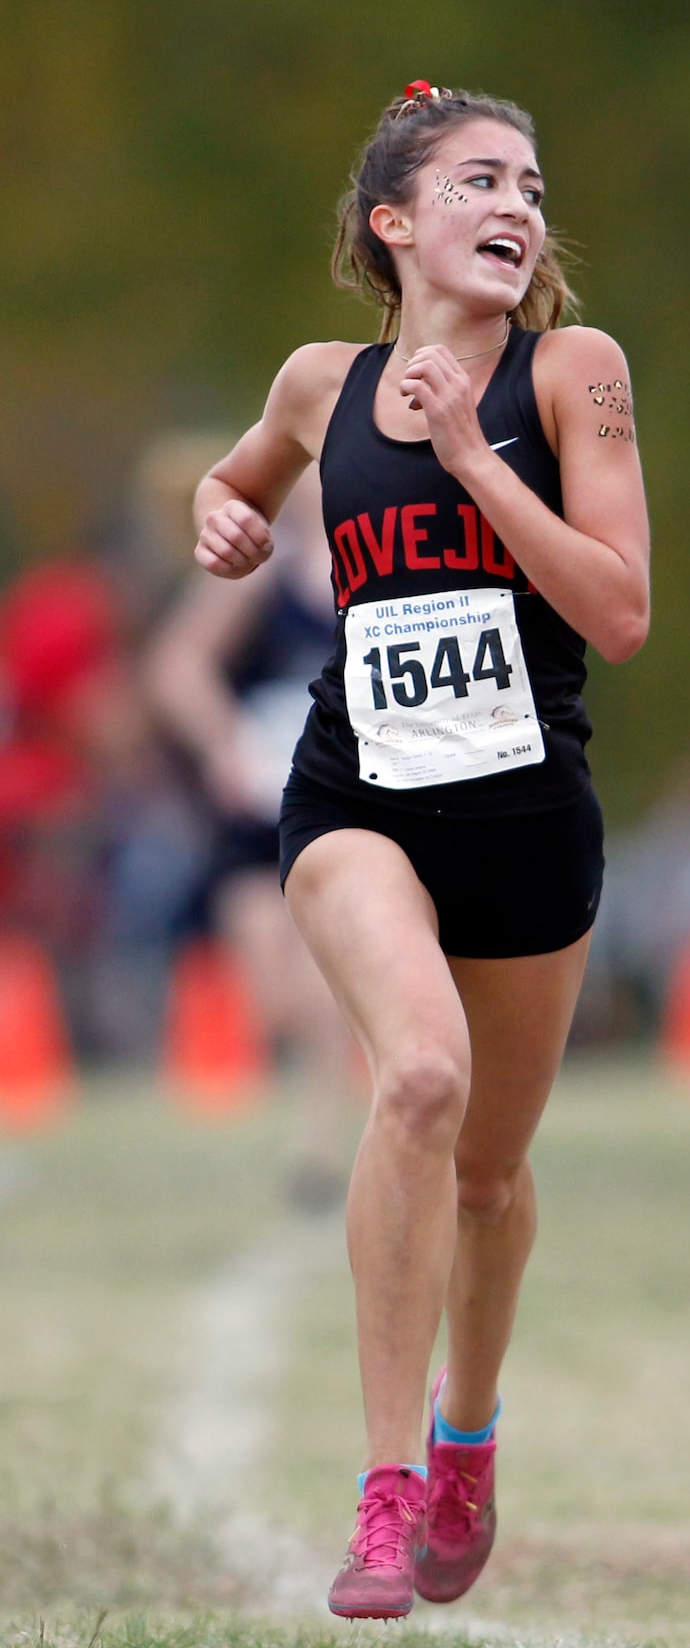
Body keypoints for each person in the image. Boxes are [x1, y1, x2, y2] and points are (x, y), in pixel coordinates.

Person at [191, 81, 650, 1618]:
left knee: (491, 1172)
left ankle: (468, 1436)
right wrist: (224, 514)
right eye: (477, 180)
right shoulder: (323, 385)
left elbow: (620, 610)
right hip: (356, 800)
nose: (516, 204)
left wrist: (473, 456)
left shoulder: (572, 373)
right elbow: (238, 477)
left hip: (529, 821)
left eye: (530, 181)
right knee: (423, 1082)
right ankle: (385, 1491)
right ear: (396, 224)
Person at [147, 470, 361, 1206]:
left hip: (343, 800)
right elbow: (176, 666)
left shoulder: (381, 566)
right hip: (258, 803)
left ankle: (320, 1146)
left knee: (323, 978)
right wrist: (225, 745)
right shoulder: (260, 572)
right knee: (274, 994)